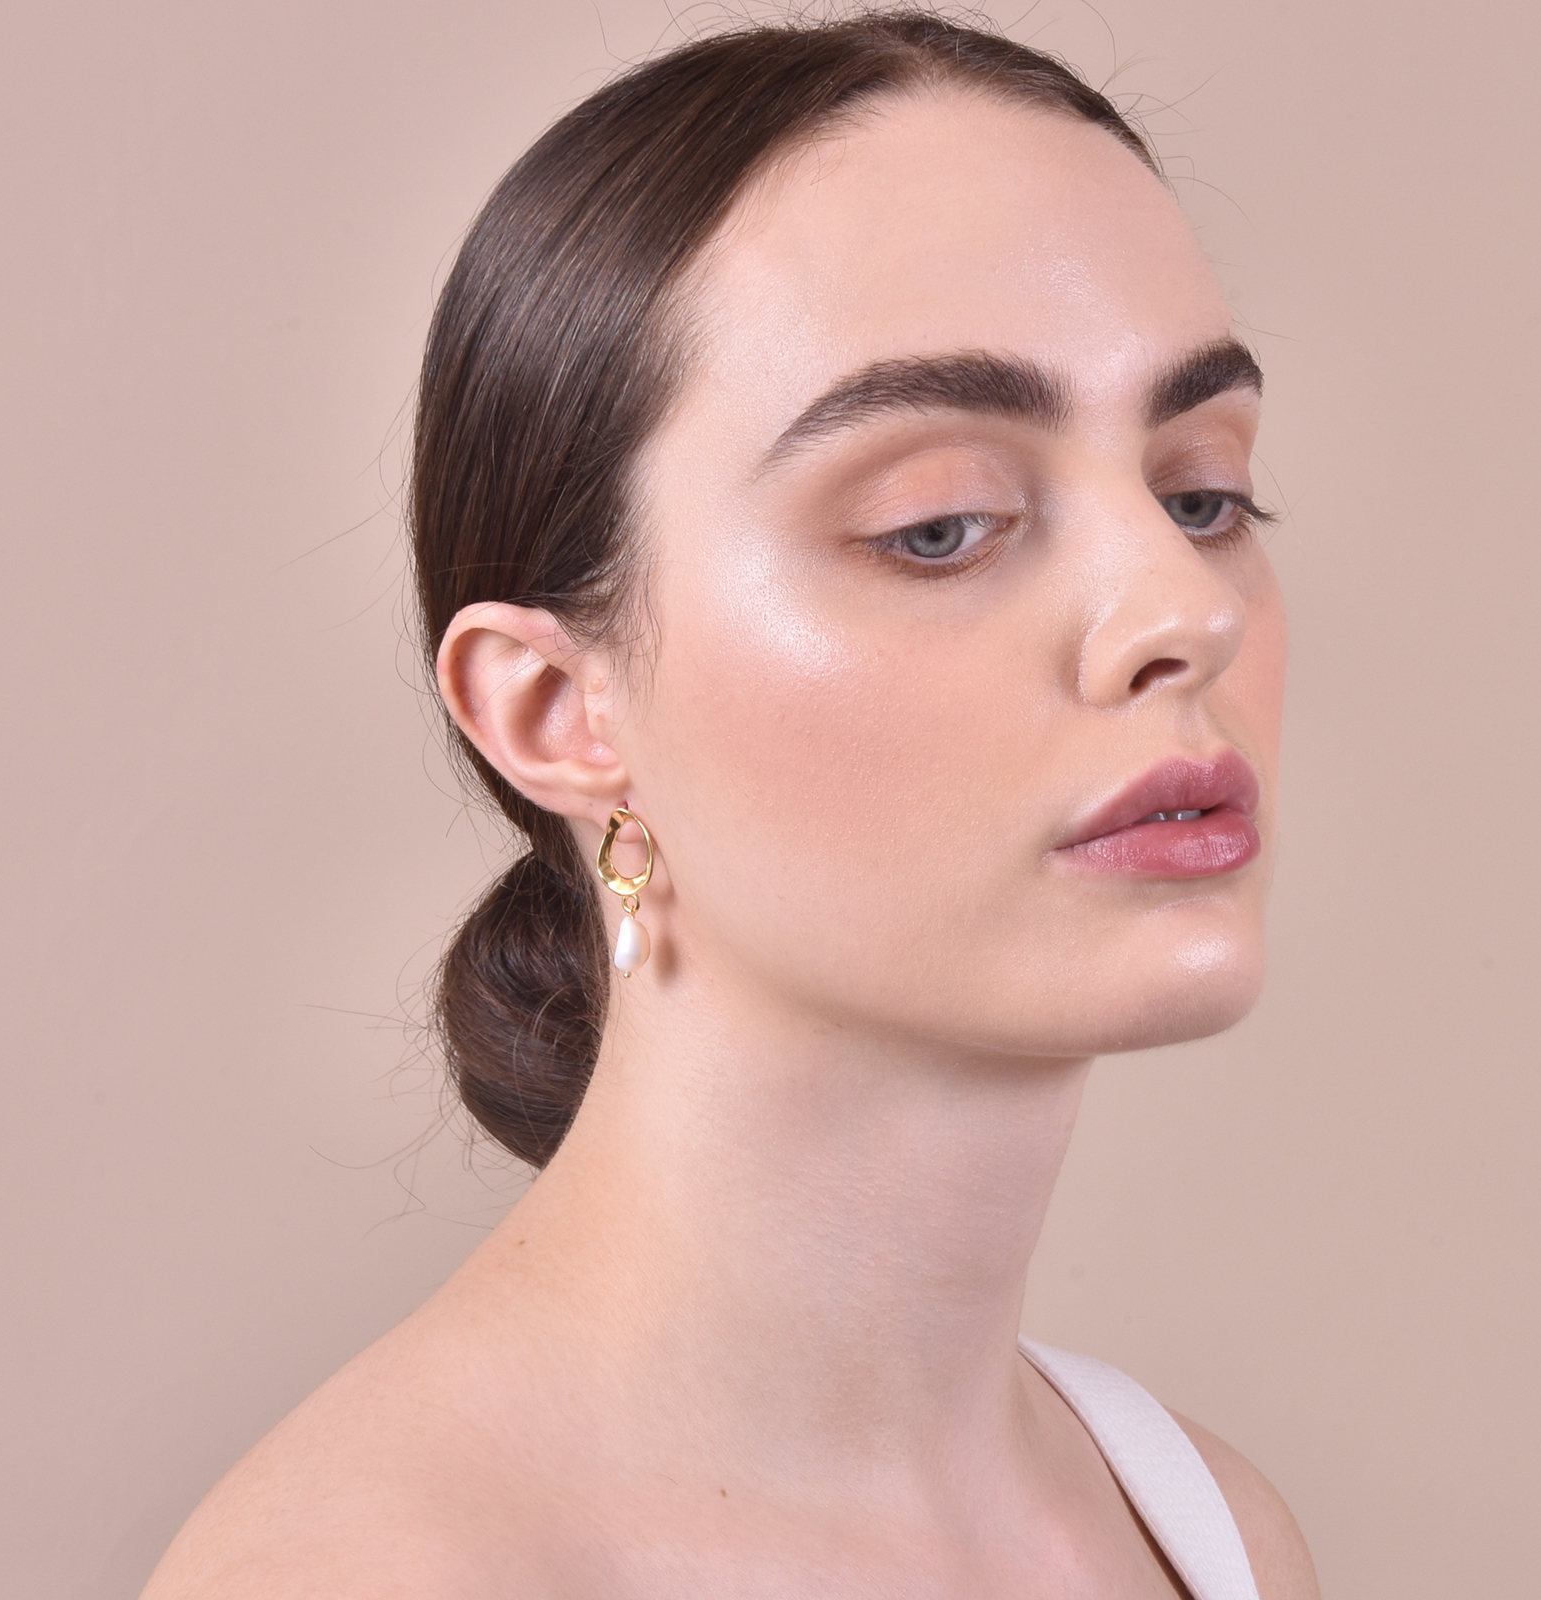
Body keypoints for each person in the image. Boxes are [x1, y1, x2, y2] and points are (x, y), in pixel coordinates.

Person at [142, 11, 1320, 1597]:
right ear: (557, 713)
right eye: (940, 524)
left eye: (1201, 494)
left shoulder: (1205, 1530)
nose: (1187, 608)